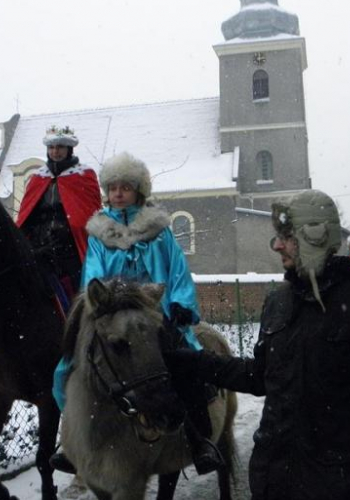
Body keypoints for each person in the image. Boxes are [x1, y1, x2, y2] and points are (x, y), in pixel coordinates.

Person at [164, 190, 350, 500]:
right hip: (274, 490)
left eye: (286, 237)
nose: (276, 246)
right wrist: (194, 362)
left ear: (314, 236)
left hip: (334, 499)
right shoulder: (279, 303)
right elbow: (258, 377)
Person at [51, 152, 223, 476]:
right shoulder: (100, 234)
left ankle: (200, 441)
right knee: (69, 368)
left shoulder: (159, 231)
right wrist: (99, 302)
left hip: (156, 313)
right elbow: (93, 275)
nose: (118, 193)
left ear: (138, 190)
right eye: (113, 187)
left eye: (125, 187)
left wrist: (182, 303)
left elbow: (177, 270)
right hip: (112, 313)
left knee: (187, 362)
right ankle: (72, 441)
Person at [16, 125, 102, 310]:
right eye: (51, 147)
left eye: (60, 147)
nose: (55, 152)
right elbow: (28, 214)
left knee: (76, 291)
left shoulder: (84, 176)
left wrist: (67, 230)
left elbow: (89, 215)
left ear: (69, 149)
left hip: (70, 247)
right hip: (40, 245)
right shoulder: (38, 177)